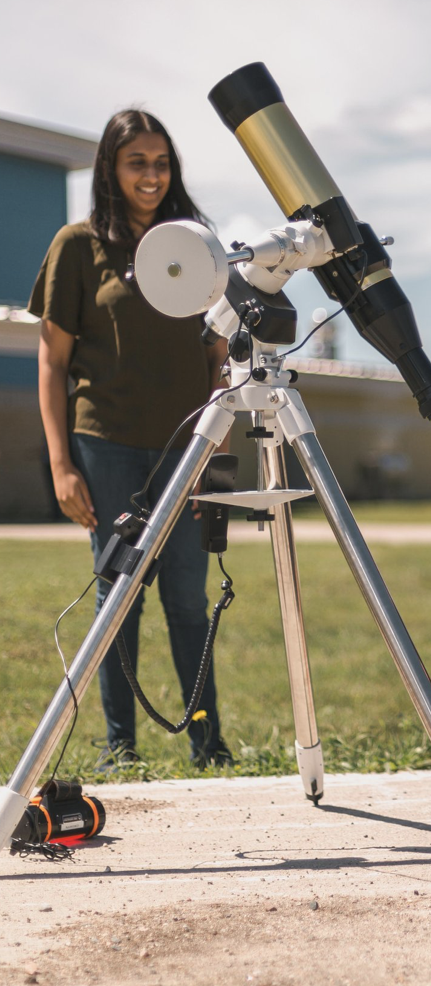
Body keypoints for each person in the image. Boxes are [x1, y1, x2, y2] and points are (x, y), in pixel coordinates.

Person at [30, 109, 232, 768]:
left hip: (184, 451)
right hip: (106, 445)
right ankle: (121, 746)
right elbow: (52, 361)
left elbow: (217, 359)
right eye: (137, 162)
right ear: (111, 170)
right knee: (118, 602)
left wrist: (214, 454)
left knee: (187, 602)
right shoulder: (76, 245)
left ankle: (209, 743)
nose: (152, 175)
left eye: (162, 162)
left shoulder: (197, 247)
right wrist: (61, 464)